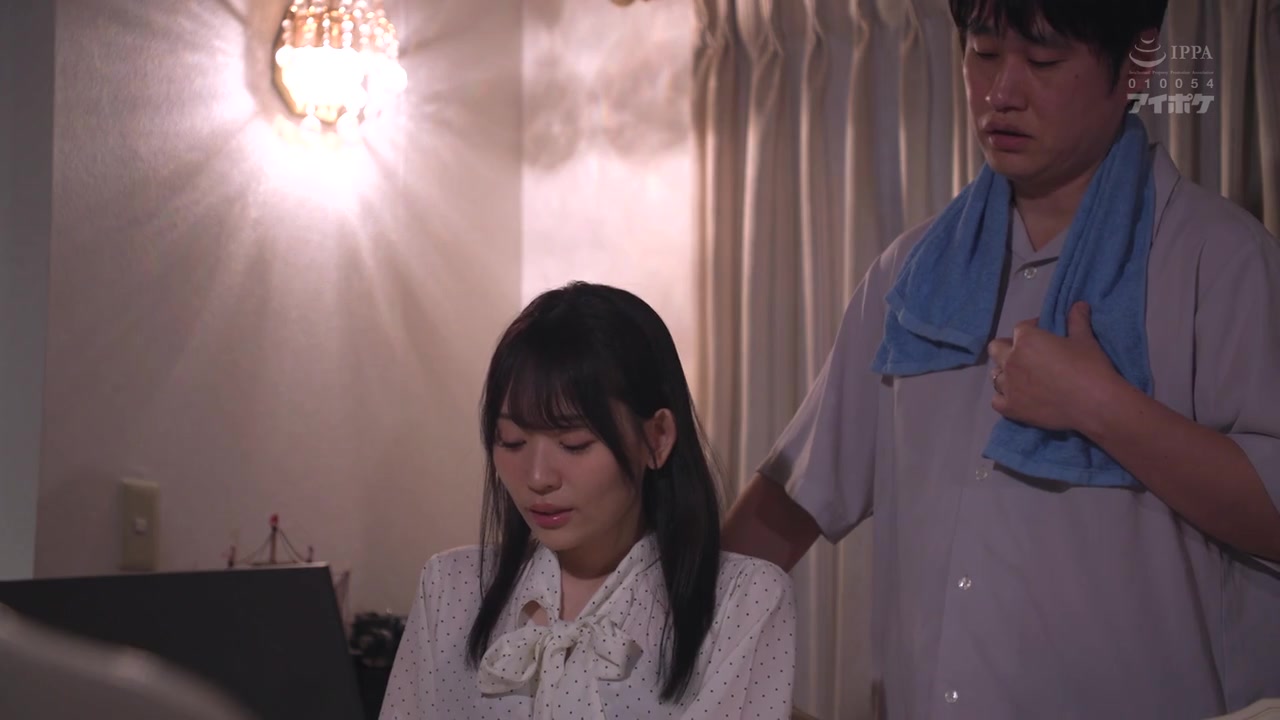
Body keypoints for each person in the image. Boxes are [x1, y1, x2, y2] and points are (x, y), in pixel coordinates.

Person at [722, 0, 1280, 718]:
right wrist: (648, 635)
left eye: (1043, 61)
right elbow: (789, 500)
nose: (1001, 93)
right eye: (983, 53)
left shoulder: (1221, 260)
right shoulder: (912, 274)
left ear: (1137, 63)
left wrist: (1099, 405)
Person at [380, 282, 796, 720]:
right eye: (512, 441)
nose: (537, 478)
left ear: (657, 438)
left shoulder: (743, 600)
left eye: (574, 444)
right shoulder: (450, 588)